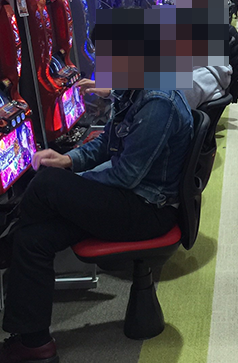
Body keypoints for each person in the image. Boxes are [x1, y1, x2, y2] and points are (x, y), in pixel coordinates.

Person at [0, 86, 193, 363]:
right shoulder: (135, 91)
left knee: (46, 183)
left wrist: (71, 187)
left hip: (148, 211)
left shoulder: (159, 101)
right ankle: (35, 343)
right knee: (33, 239)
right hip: (129, 200)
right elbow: (108, 143)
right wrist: (68, 160)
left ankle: (7, 242)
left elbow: (126, 176)